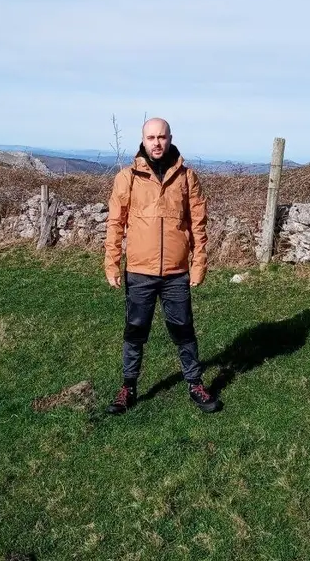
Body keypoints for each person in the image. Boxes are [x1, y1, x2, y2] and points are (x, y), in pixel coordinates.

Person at [103, 118, 221, 414]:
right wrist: (112, 263)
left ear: (170, 138)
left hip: (176, 273)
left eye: (162, 137)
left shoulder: (187, 177)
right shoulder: (127, 177)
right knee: (135, 331)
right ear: (143, 140)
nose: (156, 143)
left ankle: (195, 383)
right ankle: (128, 387)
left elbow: (198, 224)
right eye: (151, 137)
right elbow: (115, 224)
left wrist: (199, 263)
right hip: (139, 271)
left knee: (184, 330)